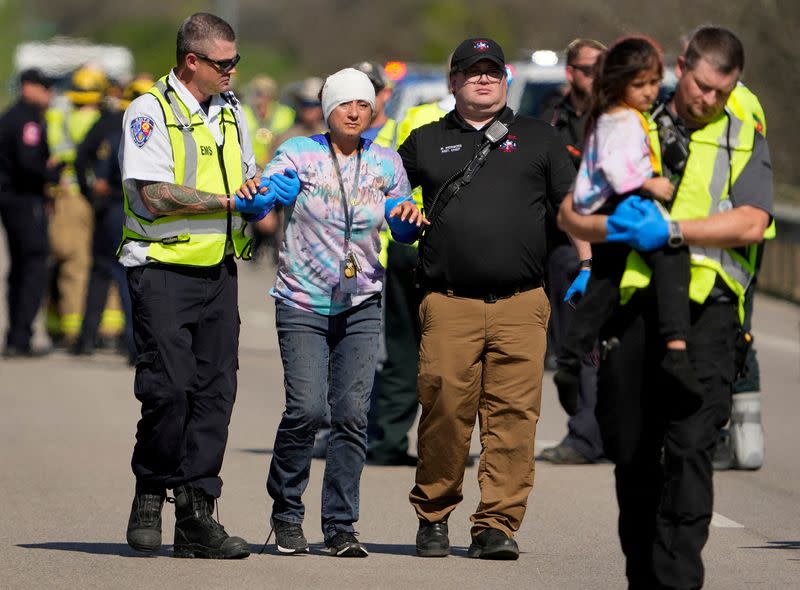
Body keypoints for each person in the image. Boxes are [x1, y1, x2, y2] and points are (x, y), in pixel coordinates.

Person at [557, 26, 773, 588]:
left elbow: (753, 220)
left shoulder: (742, 130)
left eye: (723, 92)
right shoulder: (632, 114)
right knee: (632, 456)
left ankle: (678, 582)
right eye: (702, 87)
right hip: (631, 311)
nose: (710, 100)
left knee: (691, 452)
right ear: (682, 68)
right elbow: (571, 214)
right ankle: (644, 578)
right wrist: (610, 229)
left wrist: (674, 230)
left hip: (709, 316)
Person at [398, 38, 575, 560]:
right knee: (445, 411)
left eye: (492, 71)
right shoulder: (424, 141)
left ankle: (496, 524)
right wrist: (398, 220)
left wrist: (589, 266)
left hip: (522, 303)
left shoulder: (541, 138)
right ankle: (433, 514)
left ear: (506, 80)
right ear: (453, 82)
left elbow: (571, 211)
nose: (483, 79)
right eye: (472, 72)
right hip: (449, 302)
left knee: (514, 419)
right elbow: (383, 194)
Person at [119, 12, 286, 559]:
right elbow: (150, 194)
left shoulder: (233, 113)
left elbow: (244, 176)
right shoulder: (151, 110)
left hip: (218, 270)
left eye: (235, 61)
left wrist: (262, 192)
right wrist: (229, 202)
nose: (233, 71)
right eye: (224, 63)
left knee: (216, 394)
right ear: (192, 61)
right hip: (163, 269)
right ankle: (150, 490)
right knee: (168, 389)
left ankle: (197, 514)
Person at [261, 67, 423, 557]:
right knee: (307, 410)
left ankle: (340, 525)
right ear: (328, 109)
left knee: (352, 415)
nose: (354, 111)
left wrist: (409, 221)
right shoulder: (298, 153)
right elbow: (262, 199)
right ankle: (287, 513)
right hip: (302, 299)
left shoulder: (387, 162)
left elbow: (402, 224)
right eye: (344, 104)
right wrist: (265, 197)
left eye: (363, 104)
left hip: (361, 301)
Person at [554, 36, 704, 422]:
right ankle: (676, 349)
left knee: (606, 283)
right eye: (640, 85)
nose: (650, 92)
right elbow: (617, 170)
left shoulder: (618, 115)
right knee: (671, 250)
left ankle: (570, 359)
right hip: (619, 201)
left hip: (609, 203)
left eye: (654, 83)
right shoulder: (619, 119)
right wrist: (649, 184)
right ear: (619, 84)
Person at [538, 38, 607, 465]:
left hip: (611, 243)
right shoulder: (550, 116)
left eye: (603, 68)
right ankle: (586, 422)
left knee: (597, 346)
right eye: (588, 69)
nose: (596, 77)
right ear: (570, 72)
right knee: (569, 350)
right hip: (561, 247)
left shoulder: (618, 118)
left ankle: (589, 435)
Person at [71, 75, 155, 362]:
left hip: (109, 209)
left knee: (99, 273)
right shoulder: (149, 127)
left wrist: (89, 194)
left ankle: (86, 339)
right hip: (131, 212)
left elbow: (83, 159)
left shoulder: (112, 123)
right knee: (127, 277)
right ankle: (134, 346)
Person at [45, 65, 109, 347]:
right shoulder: (104, 119)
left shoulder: (58, 117)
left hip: (66, 195)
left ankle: (68, 326)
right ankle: (98, 329)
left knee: (69, 262)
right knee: (94, 263)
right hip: (93, 197)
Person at [0, 69, 55, 357]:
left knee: (21, 267)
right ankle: (21, 337)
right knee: (33, 264)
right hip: (24, 199)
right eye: (45, 87)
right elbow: (28, 161)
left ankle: (16, 336)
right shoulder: (26, 119)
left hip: (12, 199)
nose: (49, 95)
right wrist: (52, 172)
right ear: (28, 87)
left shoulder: (11, 115)